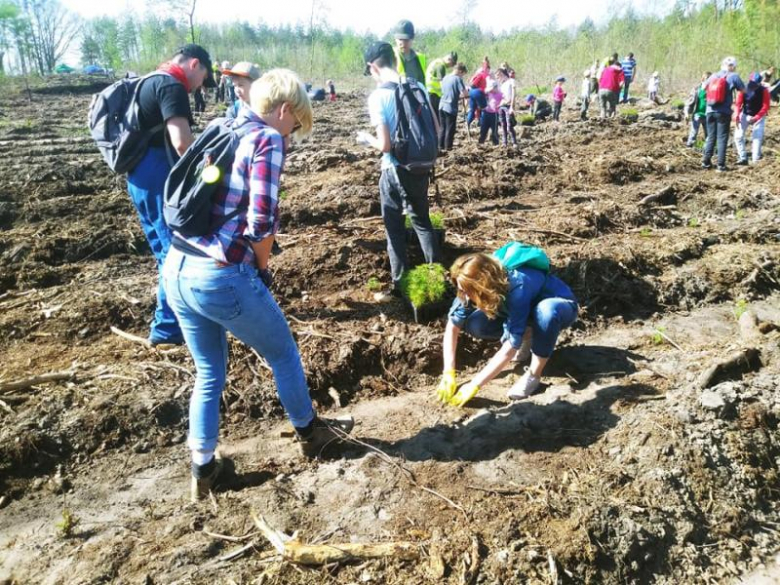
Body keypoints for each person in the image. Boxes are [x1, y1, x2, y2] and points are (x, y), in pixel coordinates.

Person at [162, 69, 355, 502]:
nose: (292, 134)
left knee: (209, 371)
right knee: (283, 352)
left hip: (176, 267)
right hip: (218, 274)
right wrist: (261, 269)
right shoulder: (267, 140)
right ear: (284, 110)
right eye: (295, 124)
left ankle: (204, 468)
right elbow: (261, 221)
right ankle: (312, 434)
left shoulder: (221, 124)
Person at [127, 44, 216, 346]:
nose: (200, 86)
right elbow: (181, 142)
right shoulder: (172, 86)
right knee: (175, 252)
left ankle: (170, 320)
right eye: (204, 77)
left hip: (138, 176)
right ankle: (167, 329)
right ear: (195, 65)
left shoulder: (149, 80)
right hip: (156, 176)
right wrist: (202, 173)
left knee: (162, 251)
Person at [435, 248, 578, 407]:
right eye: (462, 290)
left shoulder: (517, 286)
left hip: (560, 307)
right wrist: (448, 372)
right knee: (476, 324)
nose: (466, 296)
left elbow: (510, 347)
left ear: (483, 285)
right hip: (524, 312)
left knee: (545, 312)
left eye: (469, 291)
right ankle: (529, 335)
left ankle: (533, 375)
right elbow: (453, 326)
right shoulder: (466, 285)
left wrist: (475, 385)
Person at [357, 41, 441, 297]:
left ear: (373, 67)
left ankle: (399, 283)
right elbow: (436, 130)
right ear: (394, 60)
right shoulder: (417, 87)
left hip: (395, 169)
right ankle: (438, 279)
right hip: (421, 165)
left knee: (394, 228)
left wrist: (365, 139)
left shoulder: (378, 97)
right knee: (422, 221)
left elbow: (384, 145)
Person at [702, 56, 746, 172]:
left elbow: (703, 87)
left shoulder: (713, 76)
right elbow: (744, 90)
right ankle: (721, 165)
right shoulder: (734, 76)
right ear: (732, 66)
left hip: (709, 110)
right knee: (722, 138)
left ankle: (706, 161)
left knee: (711, 136)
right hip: (723, 112)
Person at [734, 72, 770, 165]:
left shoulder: (764, 90)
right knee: (738, 136)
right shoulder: (744, 88)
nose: (753, 85)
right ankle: (743, 157)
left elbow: (765, 106)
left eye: (756, 83)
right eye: (752, 83)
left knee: (757, 137)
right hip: (745, 114)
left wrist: (757, 117)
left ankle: (755, 160)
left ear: (759, 83)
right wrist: (737, 115)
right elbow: (738, 103)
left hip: (759, 116)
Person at [438, 62, 468, 151]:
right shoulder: (457, 79)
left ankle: (440, 146)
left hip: (441, 105)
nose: (462, 76)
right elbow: (465, 93)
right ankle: (448, 148)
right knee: (450, 128)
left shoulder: (445, 77)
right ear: (459, 71)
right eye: (462, 74)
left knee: (442, 127)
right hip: (450, 107)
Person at [392, 20, 427, 87]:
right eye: (400, 39)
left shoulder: (420, 58)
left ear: (412, 38)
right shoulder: (390, 57)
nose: (403, 43)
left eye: (406, 40)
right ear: (395, 39)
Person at [426, 51, 457, 122]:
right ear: (449, 59)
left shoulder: (437, 62)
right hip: (434, 94)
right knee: (437, 117)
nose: (451, 66)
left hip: (431, 92)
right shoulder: (441, 66)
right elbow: (441, 83)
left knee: (434, 116)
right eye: (452, 64)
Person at [685, 72, 710, 147]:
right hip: (697, 114)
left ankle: (707, 149)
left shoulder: (713, 91)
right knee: (694, 132)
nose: (708, 81)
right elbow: (689, 103)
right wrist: (686, 114)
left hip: (708, 115)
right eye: (706, 79)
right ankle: (689, 146)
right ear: (702, 79)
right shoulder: (696, 90)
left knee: (709, 133)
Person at [467, 57, 491, 132]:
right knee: (484, 110)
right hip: (480, 92)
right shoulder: (482, 74)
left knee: (472, 110)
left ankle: (468, 123)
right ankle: (482, 124)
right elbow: (473, 84)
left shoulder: (483, 74)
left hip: (474, 93)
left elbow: (472, 84)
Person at [496, 67, 517, 147]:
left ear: (501, 74)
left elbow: (513, 95)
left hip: (508, 106)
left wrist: (512, 107)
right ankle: (504, 142)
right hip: (501, 107)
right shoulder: (502, 85)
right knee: (503, 125)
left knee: (509, 126)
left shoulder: (511, 81)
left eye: (498, 76)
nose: (498, 78)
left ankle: (514, 142)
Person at [479, 78, 502, 145]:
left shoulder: (500, 94)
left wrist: (500, 105)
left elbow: (505, 101)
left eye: (492, 89)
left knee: (494, 131)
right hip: (485, 113)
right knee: (483, 130)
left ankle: (496, 145)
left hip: (494, 114)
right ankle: (480, 144)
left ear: (495, 87)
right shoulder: (487, 93)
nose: (491, 91)